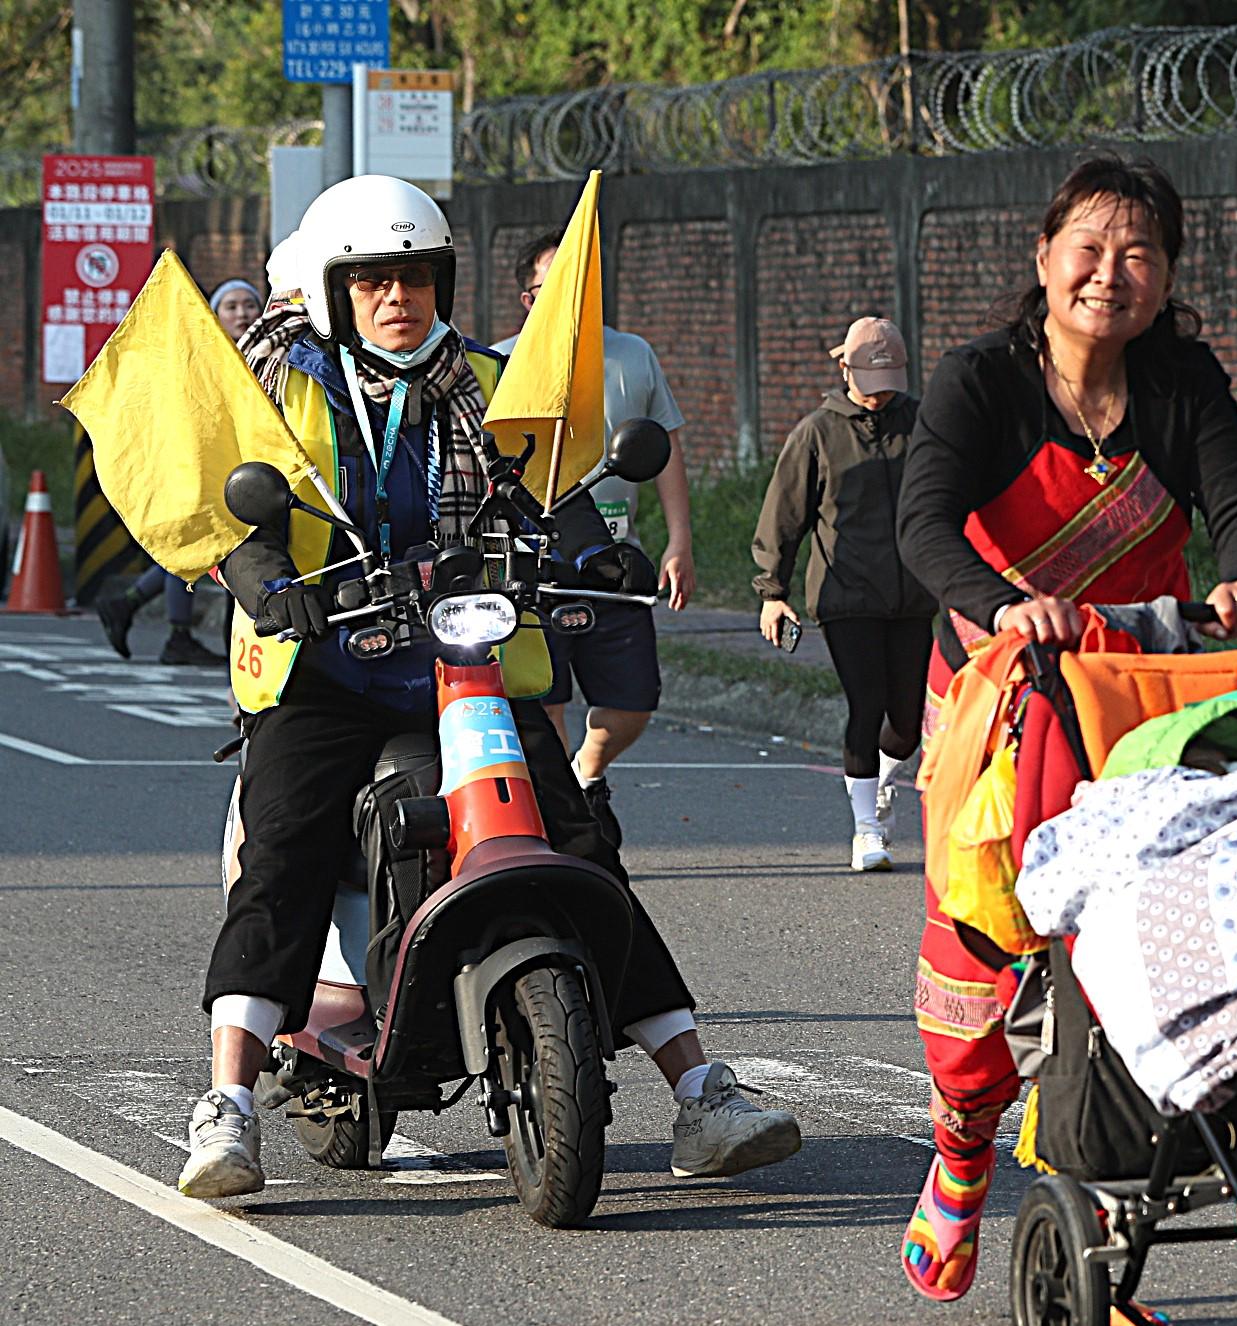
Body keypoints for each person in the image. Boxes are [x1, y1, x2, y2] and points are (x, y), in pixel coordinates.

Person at [177, 175, 798, 1199]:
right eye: (373, 280)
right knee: (283, 853)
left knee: (580, 837)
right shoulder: (276, 382)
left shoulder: (488, 381)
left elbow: (537, 489)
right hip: (324, 667)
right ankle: (227, 1105)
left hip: (458, 659)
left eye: (417, 277)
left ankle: (702, 1092)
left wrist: (591, 555)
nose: (398, 298)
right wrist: (249, 568)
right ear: (334, 293)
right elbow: (206, 495)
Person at [890, 152, 1237, 1299]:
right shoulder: (979, 382)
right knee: (983, 942)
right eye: (1091, 249)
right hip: (997, 695)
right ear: (1044, 257)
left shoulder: (1184, 381)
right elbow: (924, 526)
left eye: (1140, 252)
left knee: (1144, 956)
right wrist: (1004, 604)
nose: (1113, 273)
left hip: (1142, 701)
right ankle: (962, 1147)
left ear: (1165, 275)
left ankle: (1110, 1237)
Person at [494, 231, 698, 822]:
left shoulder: (633, 355)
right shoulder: (500, 362)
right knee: (547, 701)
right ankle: (563, 815)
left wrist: (679, 540)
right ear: (529, 298)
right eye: (555, 283)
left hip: (617, 560)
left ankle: (586, 772)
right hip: (534, 563)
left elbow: (663, 449)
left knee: (633, 702)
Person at [752, 316, 933, 872]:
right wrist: (772, 590)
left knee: (906, 721)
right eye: (870, 379)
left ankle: (880, 781)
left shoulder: (922, 423)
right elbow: (784, 517)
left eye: (889, 381)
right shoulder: (817, 433)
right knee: (866, 703)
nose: (880, 395)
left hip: (914, 594)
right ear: (844, 369)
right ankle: (865, 830)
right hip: (845, 595)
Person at [98, 277, 265, 666]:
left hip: (244, 471)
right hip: (201, 468)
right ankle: (175, 633)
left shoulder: (266, 354)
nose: (242, 313)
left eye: (249, 305)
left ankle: (129, 605)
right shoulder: (202, 357)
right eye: (231, 306)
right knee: (196, 545)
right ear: (214, 314)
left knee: (202, 549)